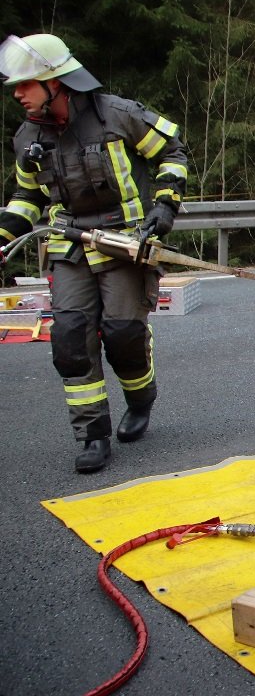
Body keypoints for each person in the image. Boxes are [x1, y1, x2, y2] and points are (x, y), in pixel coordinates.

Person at [0, 33, 188, 473]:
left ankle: (140, 398)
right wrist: (4, 236)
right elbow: (26, 197)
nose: (17, 94)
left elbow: (172, 151)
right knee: (71, 339)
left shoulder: (118, 115)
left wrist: (164, 205)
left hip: (124, 243)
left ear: (55, 82)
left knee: (123, 335)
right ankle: (92, 434)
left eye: (25, 84)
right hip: (70, 247)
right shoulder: (28, 137)